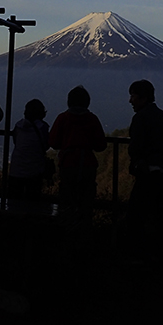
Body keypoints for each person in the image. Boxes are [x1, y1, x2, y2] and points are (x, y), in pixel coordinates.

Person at [126, 79, 163, 261]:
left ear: (143, 98)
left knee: (136, 215)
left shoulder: (140, 118)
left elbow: (136, 146)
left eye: (133, 96)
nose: (130, 101)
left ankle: (137, 257)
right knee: (161, 215)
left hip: (148, 175)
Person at [49, 85, 106, 224]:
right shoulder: (92, 119)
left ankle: (66, 228)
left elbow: (53, 142)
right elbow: (101, 145)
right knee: (86, 199)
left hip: (68, 163)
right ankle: (84, 230)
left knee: (67, 197)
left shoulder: (63, 118)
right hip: (87, 164)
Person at [8, 99, 50, 201]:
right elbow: (46, 145)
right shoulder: (43, 128)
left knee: (14, 201)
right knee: (32, 200)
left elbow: (16, 141)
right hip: (34, 170)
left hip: (15, 170)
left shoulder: (18, 126)